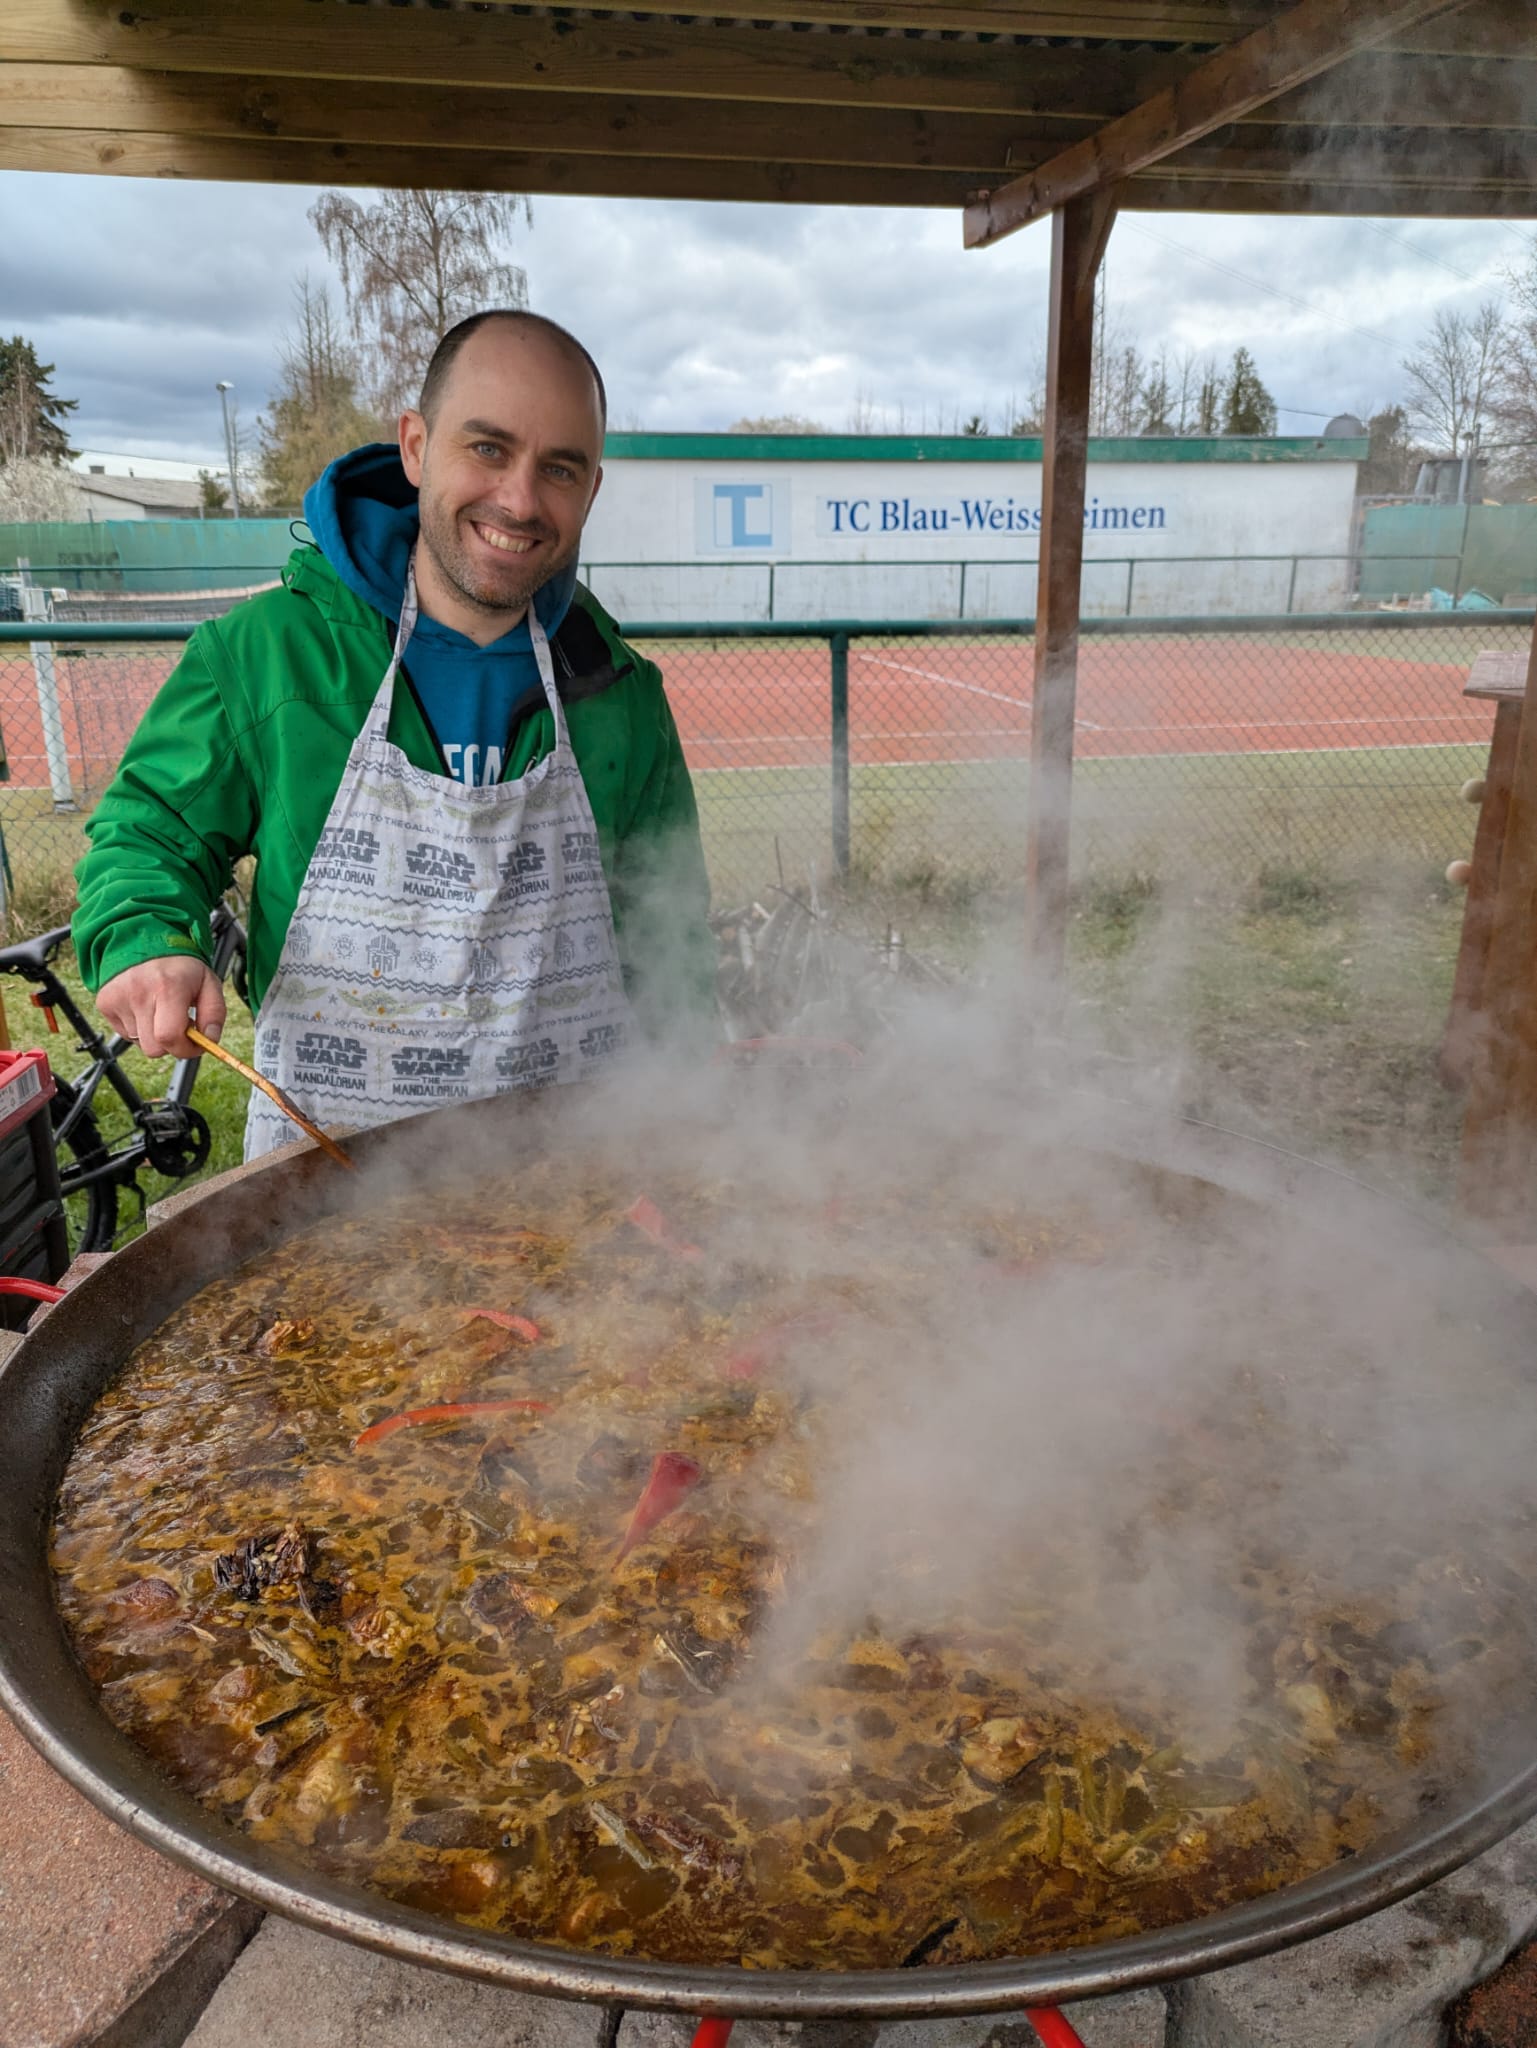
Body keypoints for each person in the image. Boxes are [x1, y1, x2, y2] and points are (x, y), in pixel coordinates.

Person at [72, 310, 716, 1156]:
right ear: (416, 447)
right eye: (487, 448)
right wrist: (144, 940)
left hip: (580, 1177)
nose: (520, 500)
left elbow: (671, 947)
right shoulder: (268, 655)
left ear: (591, 489)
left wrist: (696, 1132)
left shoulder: (619, 691)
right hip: (329, 1174)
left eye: (559, 468)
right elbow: (147, 835)